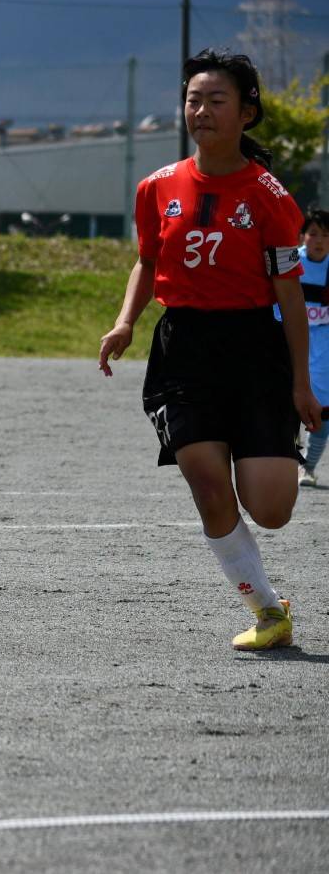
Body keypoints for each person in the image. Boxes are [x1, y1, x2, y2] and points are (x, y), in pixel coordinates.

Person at [99, 48, 315, 652]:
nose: (201, 111)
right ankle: (267, 611)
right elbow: (147, 262)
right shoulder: (156, 187)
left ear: (247, 113)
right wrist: (125, 323)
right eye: (193, 100)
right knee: (209, 486)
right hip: (185, 348)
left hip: (254, 348)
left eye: (216, 100)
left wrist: (301, 382)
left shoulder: (270, 196)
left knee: (271, 509)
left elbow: (289, 294)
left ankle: (269, 479)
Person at [286, 208, 329, 486]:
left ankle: (308, 468)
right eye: (313, 234)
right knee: (285, 407)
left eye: (325, 235)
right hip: (290, 341)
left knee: (323, 412)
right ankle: (286, 462)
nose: (319, 240)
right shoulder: (290, 263)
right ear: (302, 236)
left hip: (324, 348)